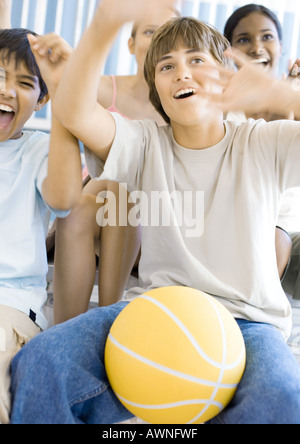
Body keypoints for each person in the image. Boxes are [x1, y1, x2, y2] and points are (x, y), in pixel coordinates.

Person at [10, 0, 300, 424]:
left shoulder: (263, 142)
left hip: (247, 322)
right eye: (166, 66)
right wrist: (104, 24)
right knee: (39, 364)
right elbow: (75, 112)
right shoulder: (145, 142)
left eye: (196, 60)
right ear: (157, 91)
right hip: (153, 311)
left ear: (225, 76)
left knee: (285, 399)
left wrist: (281, 94)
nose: (182, 72)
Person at [53, 5, 179, 323]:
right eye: (150, 32)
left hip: (162, 214)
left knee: (125, 182)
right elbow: (69, 97)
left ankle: (109, 317)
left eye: (168, 33)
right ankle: (67, 330)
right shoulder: (103, 87)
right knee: (96, 197)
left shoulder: (185, 98)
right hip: (99, 208)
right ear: (131, 44)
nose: (159, 40)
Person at [0, 28, 77, 424]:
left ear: (43, 99)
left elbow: (63, 199)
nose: (7, 90)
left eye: (25, 83)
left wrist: (65, 88)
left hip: (10, 305)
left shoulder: (37, 150)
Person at [224, 3, 300, 289]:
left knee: (275, 239)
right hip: (238, 215)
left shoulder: (295, 93)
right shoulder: (221, 103)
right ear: (228, 50)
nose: (257, 47)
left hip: (288, 221)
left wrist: (288, 99)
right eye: (244, 39)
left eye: (267, 37)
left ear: (280, 45)